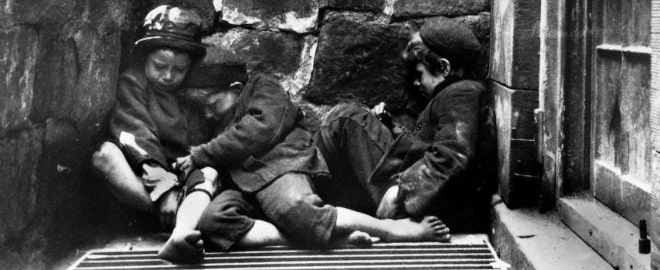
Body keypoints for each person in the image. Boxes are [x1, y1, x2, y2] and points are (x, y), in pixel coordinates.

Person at [157, 73, 451, 264]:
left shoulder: (262, 87)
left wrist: (202, 154)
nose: (207, 113)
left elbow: (262, 128)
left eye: (212, 103)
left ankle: (391, 229)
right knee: (211, 222)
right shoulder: (211, 123)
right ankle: (333, 238)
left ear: (235, 89)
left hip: (278, 165)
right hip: (243, 185)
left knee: (295, 210)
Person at [314, 16, 496, 232]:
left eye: (420, 74)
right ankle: (313, 204)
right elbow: (428, 146)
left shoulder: (463, 92)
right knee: (350, 119)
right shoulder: (454, 94)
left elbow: (453, 155)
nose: (416, 82)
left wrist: (401, 190)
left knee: (345, 119)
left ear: (445, 67)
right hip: (427, 194)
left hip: (431, 203)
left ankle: (307, 207)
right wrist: (391, 127)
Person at [92, 5, 209, 229]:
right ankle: (169, 214)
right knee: (104, 155)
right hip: (144, 172)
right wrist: (163, 187)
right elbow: (136, 132)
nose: (168, 76)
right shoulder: (134, 83)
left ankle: (186, 215)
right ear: (145, 59)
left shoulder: (192, 93)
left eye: (179, 70)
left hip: (182, 175)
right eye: (159, 66)